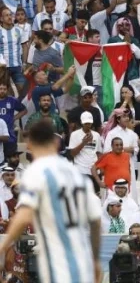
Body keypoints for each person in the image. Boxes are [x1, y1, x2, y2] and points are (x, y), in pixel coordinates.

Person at [0, 119, 102, 281]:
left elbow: (24, 216)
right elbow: (96, 221)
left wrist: (3, 247)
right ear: (55, 143)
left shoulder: (37, 171)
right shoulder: (75, 173)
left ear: (30, 145)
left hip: (59, 264)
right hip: (84, 262)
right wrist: (96, 260)